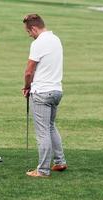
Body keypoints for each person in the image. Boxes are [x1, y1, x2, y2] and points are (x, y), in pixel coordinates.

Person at [22, 14, 67, 177]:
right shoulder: (56, 39)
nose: (30, 35)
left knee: (42, 132)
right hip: (56, 91)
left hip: (41, 92)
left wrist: (26, 87)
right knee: (50, 126)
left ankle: (42, 170)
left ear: (34, 28)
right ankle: (60, 162)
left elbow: (28, 71)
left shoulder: (38, 43)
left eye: (29, 32)